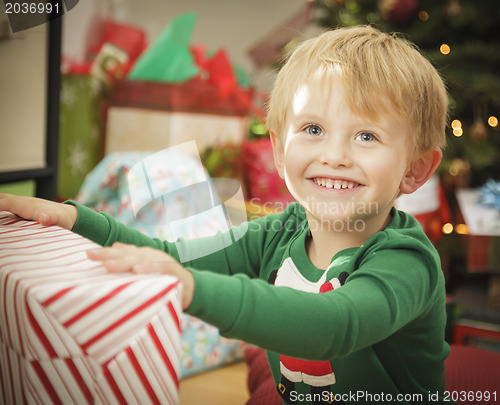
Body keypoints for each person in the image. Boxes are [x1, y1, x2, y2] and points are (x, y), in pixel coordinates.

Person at [0, 25, 452, 404]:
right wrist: (74, 220)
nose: (334, 155)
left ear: (414, 170)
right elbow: (168, 254)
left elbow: (334, 325)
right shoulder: (280, 231)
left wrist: (192, 288)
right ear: (278, 150)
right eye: (313, 129)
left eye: (367, 136)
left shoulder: (405, 260)